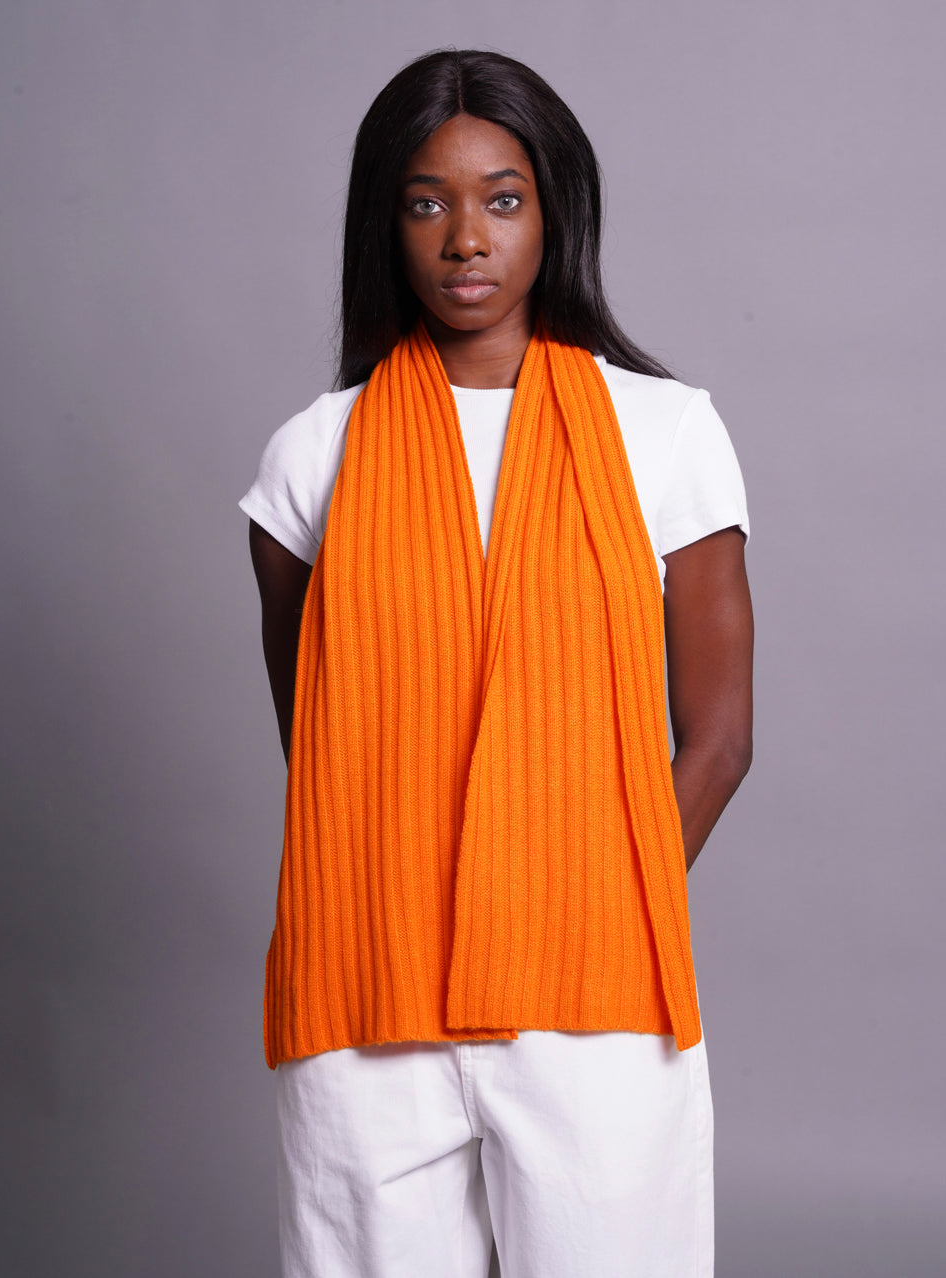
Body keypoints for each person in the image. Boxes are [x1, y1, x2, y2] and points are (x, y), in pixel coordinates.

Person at [240, 48, 753, 1278]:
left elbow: (720, 738)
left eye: (502, 199)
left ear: (552, 210)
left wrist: (588, 902)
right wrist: (420, 896)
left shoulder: (663, 431)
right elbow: (323, 748)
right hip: (368, 1000)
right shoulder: (313, 457)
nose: (465, 238)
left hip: (594, 1003)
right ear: (386, 224)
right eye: (427, 203)